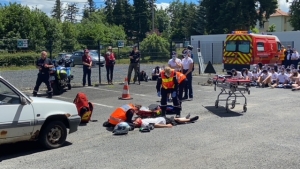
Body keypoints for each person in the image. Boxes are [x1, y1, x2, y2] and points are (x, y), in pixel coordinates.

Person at [133, 115, 199, 128]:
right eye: (135, 122)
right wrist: (166, 126)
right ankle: (189, 120)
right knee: (177, 121)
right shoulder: (143, 124)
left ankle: (185, 118)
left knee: (175, 119)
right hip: (164, 121)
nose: (135, 121)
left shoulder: (141, 120)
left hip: (162, 118)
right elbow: (155, 125)